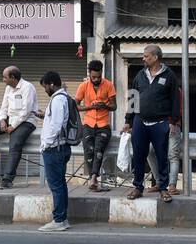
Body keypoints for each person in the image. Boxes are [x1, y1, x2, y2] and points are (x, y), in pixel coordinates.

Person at [122, 47, 182, 203]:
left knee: (162, 156)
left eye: (146, 56)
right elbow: (133, 98)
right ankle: (138, 187)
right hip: (140, 122)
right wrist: (128, 121)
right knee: (139, 156)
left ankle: (163, 188)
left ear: (155, 58)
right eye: (143, 56)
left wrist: (174, 121)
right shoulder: (140, 75)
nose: (143, 59)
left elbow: (175, 99)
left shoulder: (169, 76)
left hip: (161, 123)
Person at [0, 66, 39, 189]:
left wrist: (13, 126)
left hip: (26, 121)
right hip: (10, 119)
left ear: (13, 78)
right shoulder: (8, 88)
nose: (3, 80)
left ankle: (7, 179)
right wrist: (2, 120)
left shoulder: (28, 88)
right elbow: (4, 106)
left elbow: (26, 111)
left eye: (5, 77)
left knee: (14, 144)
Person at [37, 71, 72, 232]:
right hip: (61, 147)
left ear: (51, 84)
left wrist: (46, 144)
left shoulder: (58, 100)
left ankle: (58, 220)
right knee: (61, 184)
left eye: (45, 86)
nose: (45, 90)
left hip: (54, 149)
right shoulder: (62, 98)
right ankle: (62, 218)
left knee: (56, 186)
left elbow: (57, 126)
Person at [74, 59, 116, 191]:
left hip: (103, 125)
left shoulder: (109, 85)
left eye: (98, 77)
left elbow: (114, 106)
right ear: (89, 74)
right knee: (89, 150)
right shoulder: (83, 86)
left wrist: (105, 105)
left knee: (98, 150)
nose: (96, 79)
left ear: (102, 73)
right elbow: (75, 105)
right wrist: (88, 107)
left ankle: (93, 178)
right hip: (88, 123)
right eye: (93, 77)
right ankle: (93, 178)